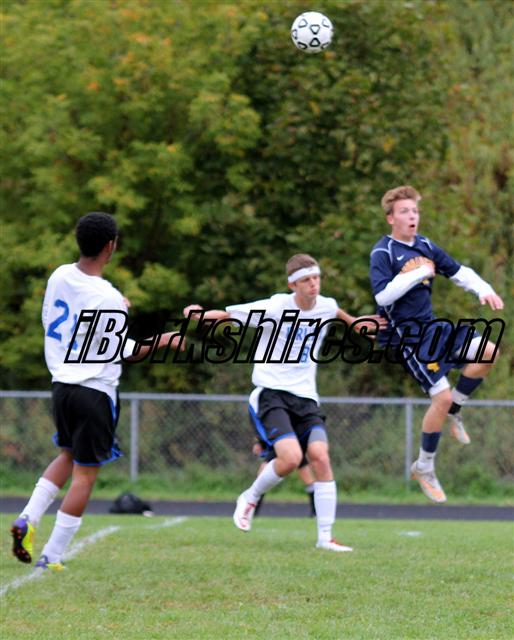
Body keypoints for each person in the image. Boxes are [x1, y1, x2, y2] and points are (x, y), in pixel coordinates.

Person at [11, 212, 182, 571]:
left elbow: (59, 318)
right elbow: (126, 351)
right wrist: (164, 341)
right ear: (110, 246)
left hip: (62, 385)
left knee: (67, 455)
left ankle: (28, 517)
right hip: (94, 391)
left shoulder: (60, 276)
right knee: (85, 475)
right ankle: (52, 555)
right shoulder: (109, 297)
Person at [184, 253, 387, 552]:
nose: (313, 284)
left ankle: (325, 538)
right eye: (306, 280)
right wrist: (199, 316)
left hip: (306, 398)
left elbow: (342, 315)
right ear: (292, 285)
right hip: (272, 394)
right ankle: (250, 497)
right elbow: (228, 316)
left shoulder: (326, 306)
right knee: (291, 459)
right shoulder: (275, 307)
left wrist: (360, 324)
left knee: (320, 456)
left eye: (316, 278)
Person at [369, 186, 504, 503]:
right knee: (439, 398)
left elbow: (458, 271)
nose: (412, 216)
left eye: (415, 211)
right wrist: (416, 274)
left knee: (488, 352)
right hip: (409, 338)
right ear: (391, 218)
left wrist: (483, 289)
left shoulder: (425, 245)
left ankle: (457, 406)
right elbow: (382, 296)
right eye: (404, 211)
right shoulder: (383, 252)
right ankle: (424, 467)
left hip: (433, 328)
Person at [252, 440, 316, 517]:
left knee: (308, 479)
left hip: (295, 446)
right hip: (279, 444)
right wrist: (260, 443)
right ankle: (252, 511)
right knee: (262, 475)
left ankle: (315, 513)